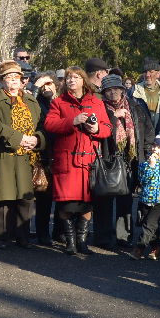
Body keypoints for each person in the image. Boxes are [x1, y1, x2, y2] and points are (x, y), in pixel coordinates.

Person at [44, 66, 110, 256]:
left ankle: (82, 241)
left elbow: (107, 129)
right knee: (66, 203)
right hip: (67, 161)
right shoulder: (58, 102)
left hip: (89, 162)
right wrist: (72, 121)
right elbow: (49, 124)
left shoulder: (97, 102)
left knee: (87, 204)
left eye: (76, 77)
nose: (72, 81)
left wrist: (96, 128)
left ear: (83, 80)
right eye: (69, 78)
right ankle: (70, 242)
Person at [0, 60, 41, 250]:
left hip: (27, 156)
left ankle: (23, 236)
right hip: (4, 155)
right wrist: (19, 139)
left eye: (17, 77)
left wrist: (37, 140)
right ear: (1, 81)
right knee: (2, 197)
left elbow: (41, 125)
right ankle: (2, 237)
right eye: (9, 77)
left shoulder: (31, 101)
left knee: (25, 198)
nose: (14, 80)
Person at [93, 74, 149, 250]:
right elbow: (95, 131)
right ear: (103, 92)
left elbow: (147, 132)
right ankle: (103, 237)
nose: (112, 93)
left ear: (123, 90)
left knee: (125, 201)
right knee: (104, 199)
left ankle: (123, 237)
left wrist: (146, 156)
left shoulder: (136, 107)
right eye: (108, 90)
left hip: (129, 159)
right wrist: (113, 116)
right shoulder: (98, 108)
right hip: (106, 158)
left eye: (115, 89)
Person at [132, 130, 160, 261]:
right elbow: (143, 179)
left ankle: (139, 248)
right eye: (154, 146)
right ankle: (157, 248)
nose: (155, 149)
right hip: (146, 199)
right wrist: (151, 166)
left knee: (149, 225)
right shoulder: (146, 163)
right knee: (152, 226)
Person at [32, 73, 60, 247]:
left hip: (62, 152)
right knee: (43, 196)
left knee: (62, 197)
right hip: (44, 153)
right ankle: (43, 233)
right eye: (43, 85)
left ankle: (60, 232)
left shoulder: (61, 101)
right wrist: (36, 86)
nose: (46, 88)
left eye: (49, 84)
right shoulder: (36, 103)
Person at [132, 59, 160, 135]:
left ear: (158, 74)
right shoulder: (133, 91)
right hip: (141, 135)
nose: (147, 75)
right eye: (145, 72)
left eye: (151, 72)